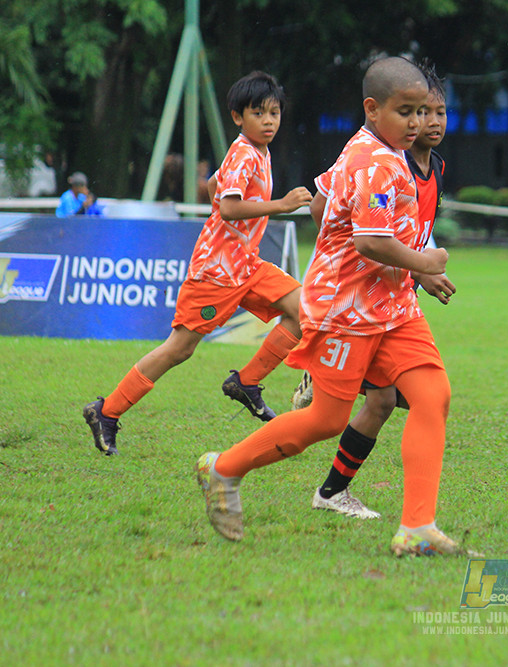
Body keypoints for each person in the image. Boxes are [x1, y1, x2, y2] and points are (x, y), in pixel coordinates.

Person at [196, 56, 477, 558]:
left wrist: (344, 236)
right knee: (325, 420)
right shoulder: (379, 162)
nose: (417, 123)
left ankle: (417, 528)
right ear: (372, 109)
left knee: (432, 395)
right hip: (347, 311)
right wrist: (423, 261)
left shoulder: (367, 148)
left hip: (393, 307)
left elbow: (324, 199)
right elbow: (370, 242)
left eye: (422, 112)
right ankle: (224, 468)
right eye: (406, 112)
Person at [82, 71, 313, 455]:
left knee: (304, 310)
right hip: (216, 271)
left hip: (245, 264)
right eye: (258, 113)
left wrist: (231, 224)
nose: (268, 121)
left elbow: (214, 186)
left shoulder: (258, 151)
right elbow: (229, 207)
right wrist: (282, 205)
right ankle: (105, 411)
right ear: (238, 117)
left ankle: (247, 383)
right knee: (179, 349)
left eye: (274, 113)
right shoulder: (244, 153)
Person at [294, 63, 453, 521]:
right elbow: (332, 209)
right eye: (418, 111)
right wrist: (370, 254)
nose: (429, 122)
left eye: (437, 112)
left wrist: (417, 265)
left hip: (394, 298)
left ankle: (334, 492)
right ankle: (318, 374)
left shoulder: (432, 167)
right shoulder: (379, 158)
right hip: (357, 303)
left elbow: (409, 228)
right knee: (381, 403)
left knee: (391, 401)